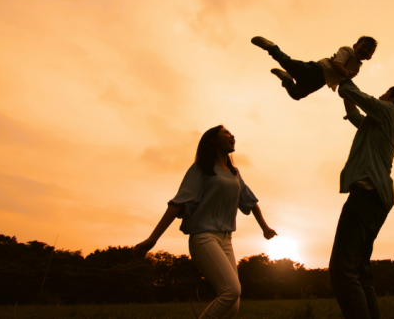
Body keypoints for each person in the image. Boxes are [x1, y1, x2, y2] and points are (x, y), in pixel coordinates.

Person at [134, 125, 277, 319]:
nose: (231, 135)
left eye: (231, 133)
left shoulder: (234, 173)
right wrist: (153, 238)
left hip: (227, 239)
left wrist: (265, 228)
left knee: (233, 306)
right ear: (212, 140)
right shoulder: (201, 169)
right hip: (204, 237)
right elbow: (178, 203)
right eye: (226, 133)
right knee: (230, 291)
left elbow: (250, 202)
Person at [329, 78, 394, 319]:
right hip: (379, 197)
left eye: (386, 92)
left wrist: (343, 74)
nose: (381, 95)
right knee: (359, 271)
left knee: (342, 271)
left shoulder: (387, 110)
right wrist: (346, 94)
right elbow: (355, 113)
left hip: (367, 192)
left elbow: (355, 94)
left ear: (393, 98)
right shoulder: (383, 122)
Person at [251, 35, 377, 101]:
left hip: (321, 81)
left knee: (296, 94)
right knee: (286, 62)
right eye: (364, 46)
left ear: (369, 57)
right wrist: (347, 73)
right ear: (355, 45)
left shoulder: (357, 66)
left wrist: (347, 79)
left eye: (369, 50)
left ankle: (286, 79)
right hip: (318, 70)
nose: (365, 50)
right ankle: (271, 47)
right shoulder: (348, 51)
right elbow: (337, 64)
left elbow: (344, 79)